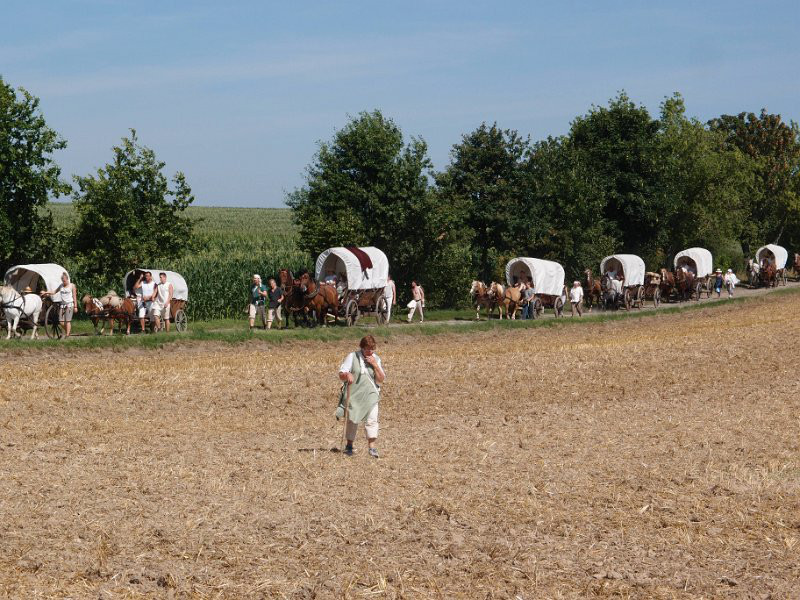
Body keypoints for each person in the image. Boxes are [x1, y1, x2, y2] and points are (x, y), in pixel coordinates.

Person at [338, 335, 386, 458]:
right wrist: (347, 375)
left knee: (372, 419)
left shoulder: (376, 359)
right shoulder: (352, 356)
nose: (370, 352)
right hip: (355, 394)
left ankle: (372, 447)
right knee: (353, 419)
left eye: (372, 349)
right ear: (362, 347)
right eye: (367, 349)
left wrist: (375, 365)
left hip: (371, 394)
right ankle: (349, 445)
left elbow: (381, 380)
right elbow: (341, 374)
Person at [41, 271, 77, 337]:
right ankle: (67, 331)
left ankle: (67, 335)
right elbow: (54, 292)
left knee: (68, 321)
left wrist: (75, 306)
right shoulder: (61, 286)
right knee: (61, 321)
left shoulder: (72, 286)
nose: (63, 282)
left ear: (67, 279)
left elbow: (74, 296)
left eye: (64, 281)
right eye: (62, 281)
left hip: (69, 305)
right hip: (62, 305)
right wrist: (46, 292)